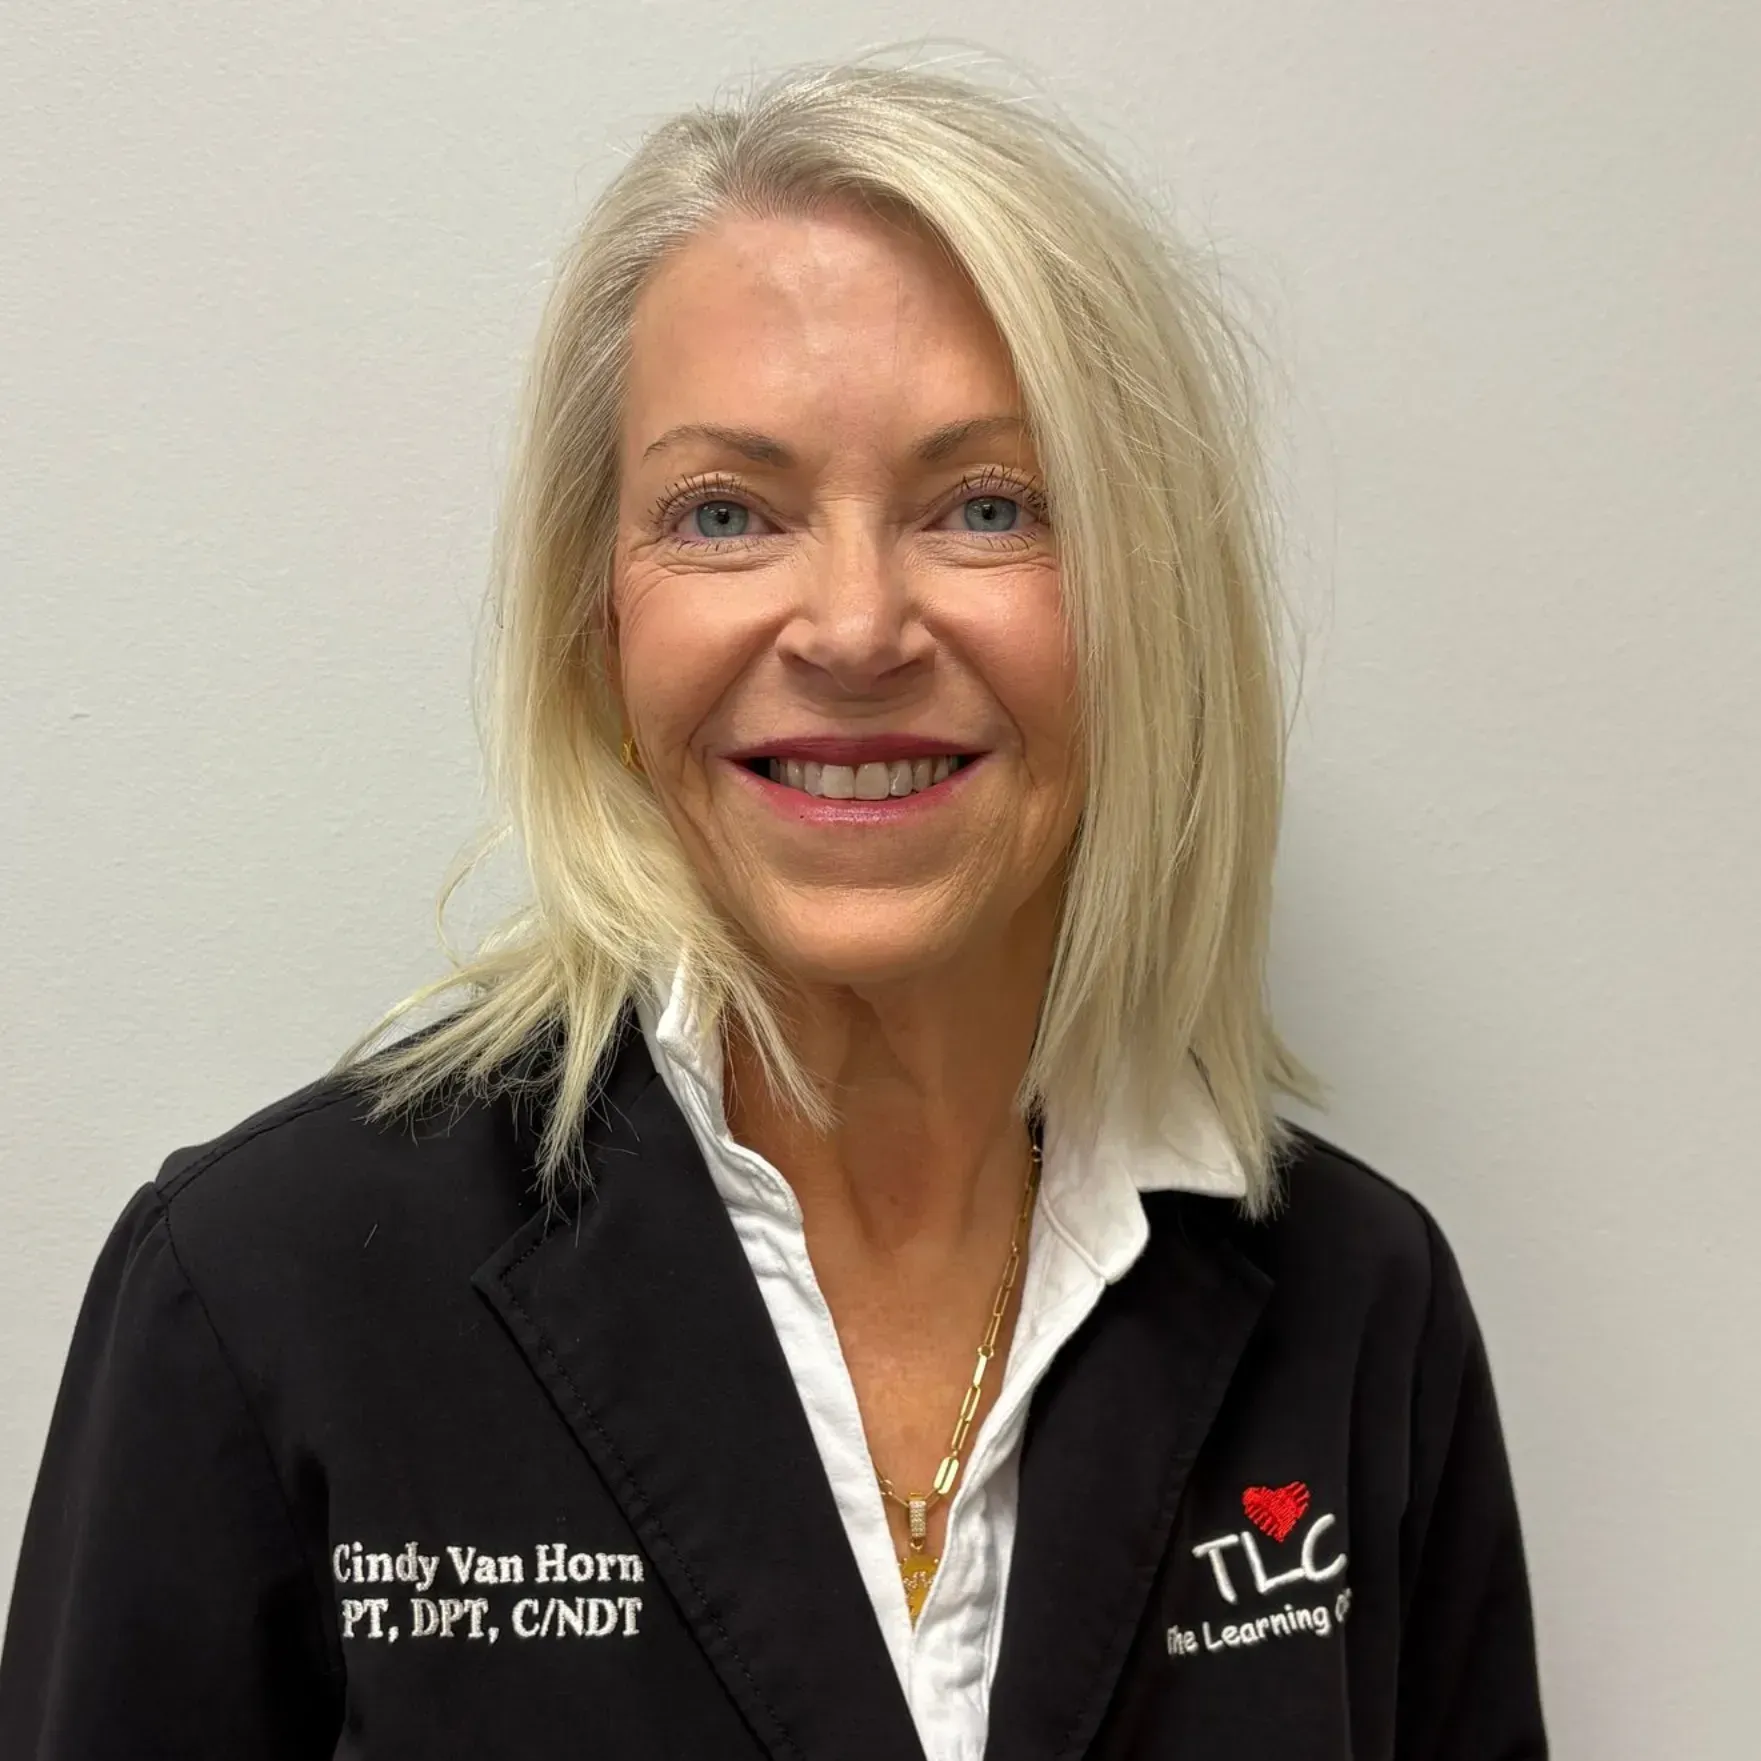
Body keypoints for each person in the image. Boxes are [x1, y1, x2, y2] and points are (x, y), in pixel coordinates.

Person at [0, 56, 1547, 1760]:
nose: (856, 627)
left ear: (1145, 603)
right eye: (725, 513)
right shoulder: (256, 1299)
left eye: (989, 506)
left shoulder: (1359, 1308)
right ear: (601, 615)